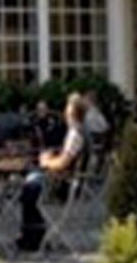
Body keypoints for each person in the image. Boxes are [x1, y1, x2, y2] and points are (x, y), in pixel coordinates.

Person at [18, 96, 88, 252]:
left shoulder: (74, 135)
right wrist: (52, 157)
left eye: (68, 107)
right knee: (29, 187)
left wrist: (46, 162)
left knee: (29, 190)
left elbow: (63, 163)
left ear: (72, 112)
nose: (64, 111)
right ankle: (31, 235)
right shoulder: (78, 132)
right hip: (60, 179)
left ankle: (33, 237)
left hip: (59, 184)